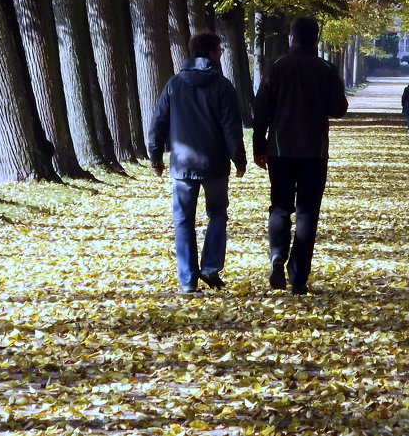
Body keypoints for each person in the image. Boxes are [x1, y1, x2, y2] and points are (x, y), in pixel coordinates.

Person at [252, 16, 348, 294]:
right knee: (307, 212)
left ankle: (277, 254)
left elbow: (261, 110)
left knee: (280, 205)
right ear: (316, 39)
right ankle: (299, 278)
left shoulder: (276, 67)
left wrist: (259, 146)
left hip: (280, 150)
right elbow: (338, 109)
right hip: (314, 151)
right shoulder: (326, 69)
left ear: (292, 37)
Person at [148, 32, 247, 294]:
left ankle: (187, 280)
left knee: (183, 220)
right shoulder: (223, 86)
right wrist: (239, 159)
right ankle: (210, 266)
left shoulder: (174, 84)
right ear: (213, 53)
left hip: (182, 165)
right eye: (220, 50)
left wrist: (155, 156)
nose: (222, 54)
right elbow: (231, 128)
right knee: (217, 214)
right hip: (215, 164)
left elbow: (158, 122)